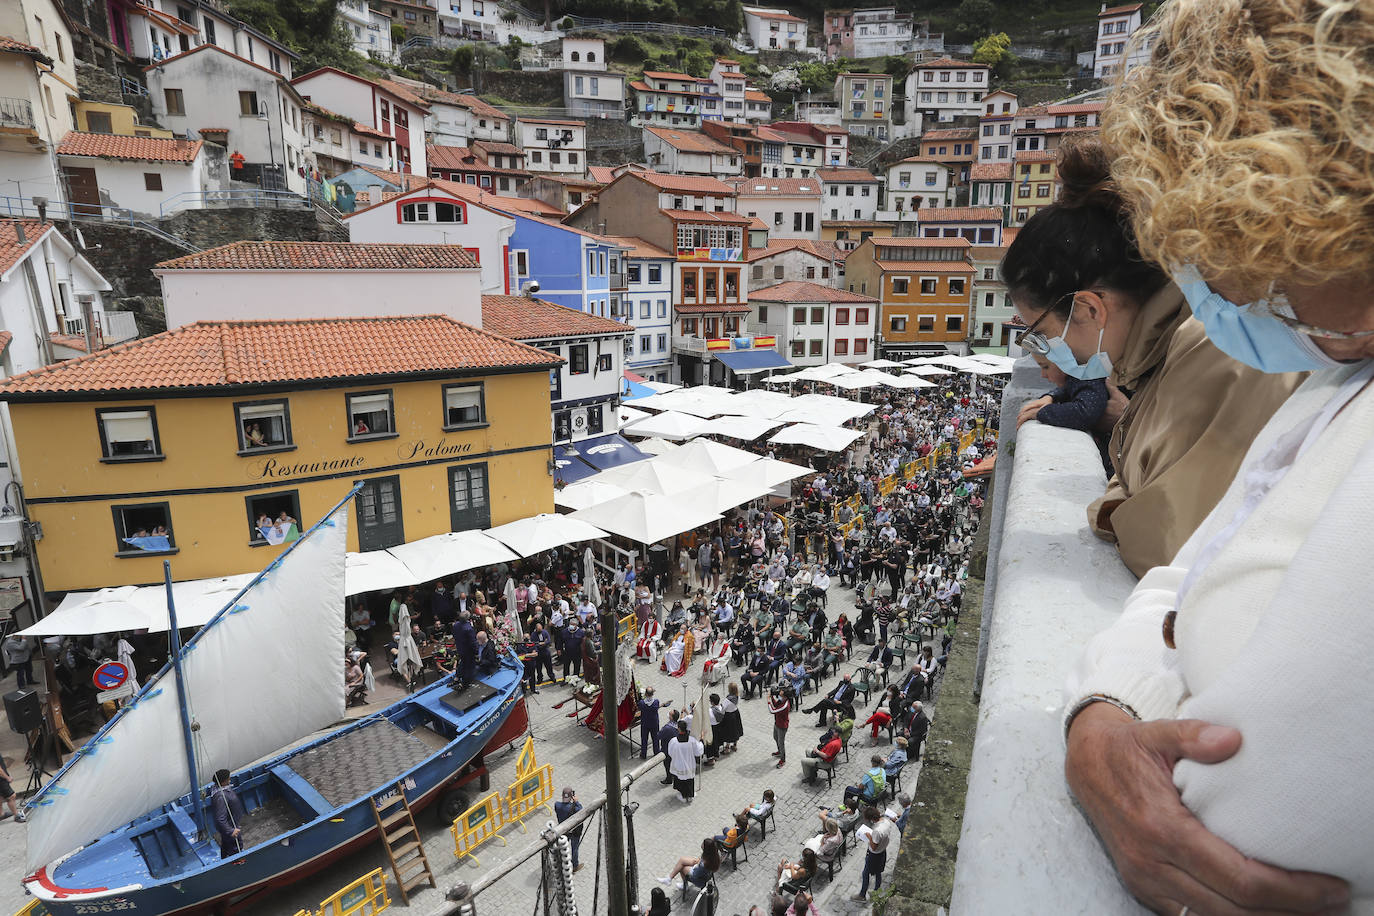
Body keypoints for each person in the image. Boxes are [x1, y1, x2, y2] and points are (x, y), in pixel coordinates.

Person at [1061, 1, 1374, 911]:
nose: (1218, 286)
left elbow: (1233, 821)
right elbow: (1186, 580)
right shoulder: (1337, 374)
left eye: (1224, 256)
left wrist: (1120, 701)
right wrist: (1106, 711)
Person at [1002, 136, 1304, 578]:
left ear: (1089, 308)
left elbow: (1168, 545)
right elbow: (1139, 485)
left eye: (1043, 334)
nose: (1049, 355)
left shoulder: (1207, 354)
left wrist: (1119, 512)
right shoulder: (1162, 352)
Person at [853, 804, 893, 901]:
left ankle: (862, 895)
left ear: (871, 819)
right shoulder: (886, 822)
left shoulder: (877, 831)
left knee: (865, 873)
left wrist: (869, 836)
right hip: (883, 851)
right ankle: (876, 892)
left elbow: (874, 847)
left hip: (874, 855)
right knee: (878, 873)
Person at [209, 768, 247, 859]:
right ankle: (238, 862)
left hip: (232, 823)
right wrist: (230, 831)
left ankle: (224, 858)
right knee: (235, 846)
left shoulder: (222, 789)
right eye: (228, 779)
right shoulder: (221, 797)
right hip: (230, 826)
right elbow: (220, 818)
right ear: (222, 782)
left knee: (226, 844)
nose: (230, 780)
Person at [666, 722, 703, 804]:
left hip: (679, 765)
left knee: (680, 780)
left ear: (678, 729)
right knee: (689, 780)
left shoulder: (674, 741)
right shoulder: (692, 740)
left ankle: (683, 795)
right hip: (689, 764)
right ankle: (690, 795)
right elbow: (698, 752)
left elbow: (670, 753)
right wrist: (700, 742)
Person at [554, 787, 584, 873]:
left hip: (563, 831)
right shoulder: (575, 808)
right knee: (574, 848)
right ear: (571, 796)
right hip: (574, 832)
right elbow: (582, 811)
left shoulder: (557, 805)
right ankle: (575, 866)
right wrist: (576, 802)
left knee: (563, 847)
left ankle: (562, 863)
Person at [638, 687, 670, 759]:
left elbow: (639, 707)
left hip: (645, 723)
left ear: (645, 694)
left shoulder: (642, 703)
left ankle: (643, 754)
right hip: (654, 723)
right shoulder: (656, 702)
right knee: (655, 738)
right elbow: (657, 706)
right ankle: (656, 752)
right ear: (652, 694)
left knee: (644, 739)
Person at [452, 611, 477, 686]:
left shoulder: (455, 625)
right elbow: (473, 642)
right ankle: (466, 682)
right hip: (468, 650)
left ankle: (457, 677)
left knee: (462, 662)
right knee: (469, 665)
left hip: (460, 648)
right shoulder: (468, 629)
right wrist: (476, 651)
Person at [658, 709, 682, 786]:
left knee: (667, 764)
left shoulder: (667, 728)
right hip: (676, 749)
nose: (668, 714)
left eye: (670, 714)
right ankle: (674, 776)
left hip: (667, 749)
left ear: (671, 717)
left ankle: (669, 779)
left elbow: (658, 736)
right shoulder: (678, 726)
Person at [768, 686, 790, 768]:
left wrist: (768, 701)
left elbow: (772, 710)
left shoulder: (785, 705)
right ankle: (779, 751)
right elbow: (776, 705)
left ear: (785, 696)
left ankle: (783, 759)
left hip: (782, 727)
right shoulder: (782, 700)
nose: (779, 695)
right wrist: (772, 698)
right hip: (777, 723)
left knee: (781, 743)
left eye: (780, 694)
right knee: (775, 737)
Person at [0, 756, 25, 822]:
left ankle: (1, 814)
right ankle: (17, 816)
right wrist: (7, 777)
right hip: (1, 780)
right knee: (11, 796)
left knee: (0, 796)